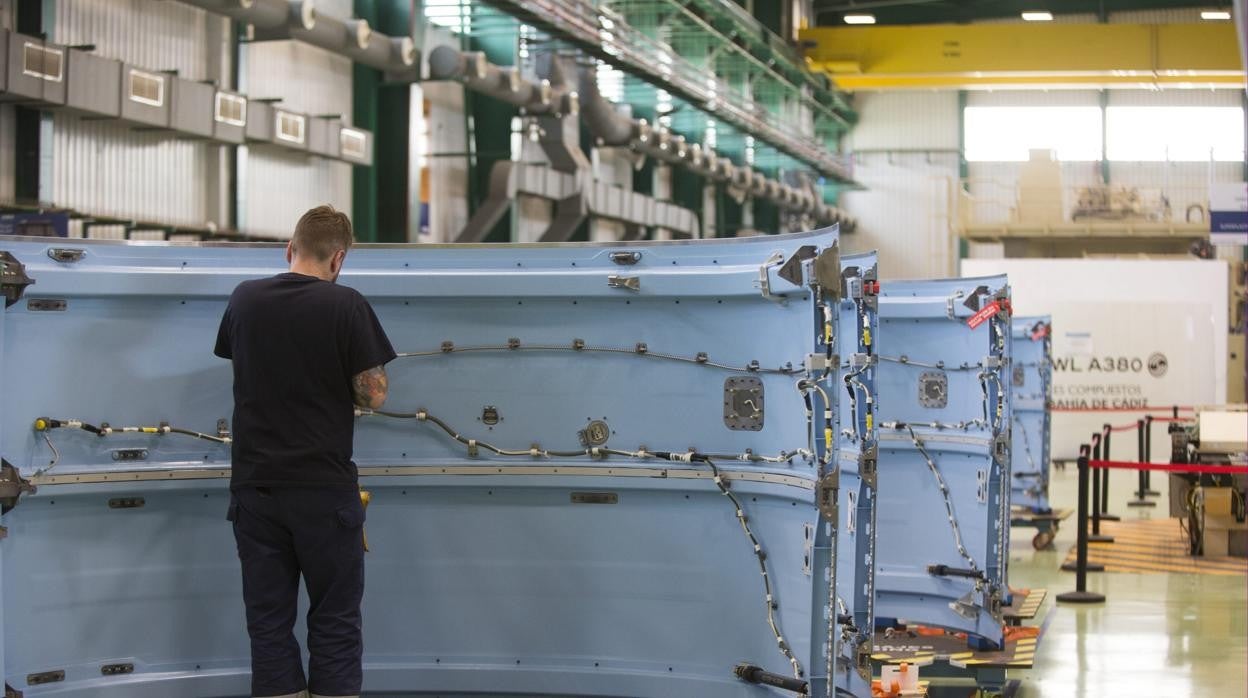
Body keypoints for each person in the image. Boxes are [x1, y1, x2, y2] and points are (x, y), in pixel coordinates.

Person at [215, 205, 395, 698]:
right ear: (338, 259)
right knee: (334, 622)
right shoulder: (346, 305)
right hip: (323, 491)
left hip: (256, 490)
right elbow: (373, 395)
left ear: (289, 249)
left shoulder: (245, 299)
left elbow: (246, 362)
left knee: (269, 625)